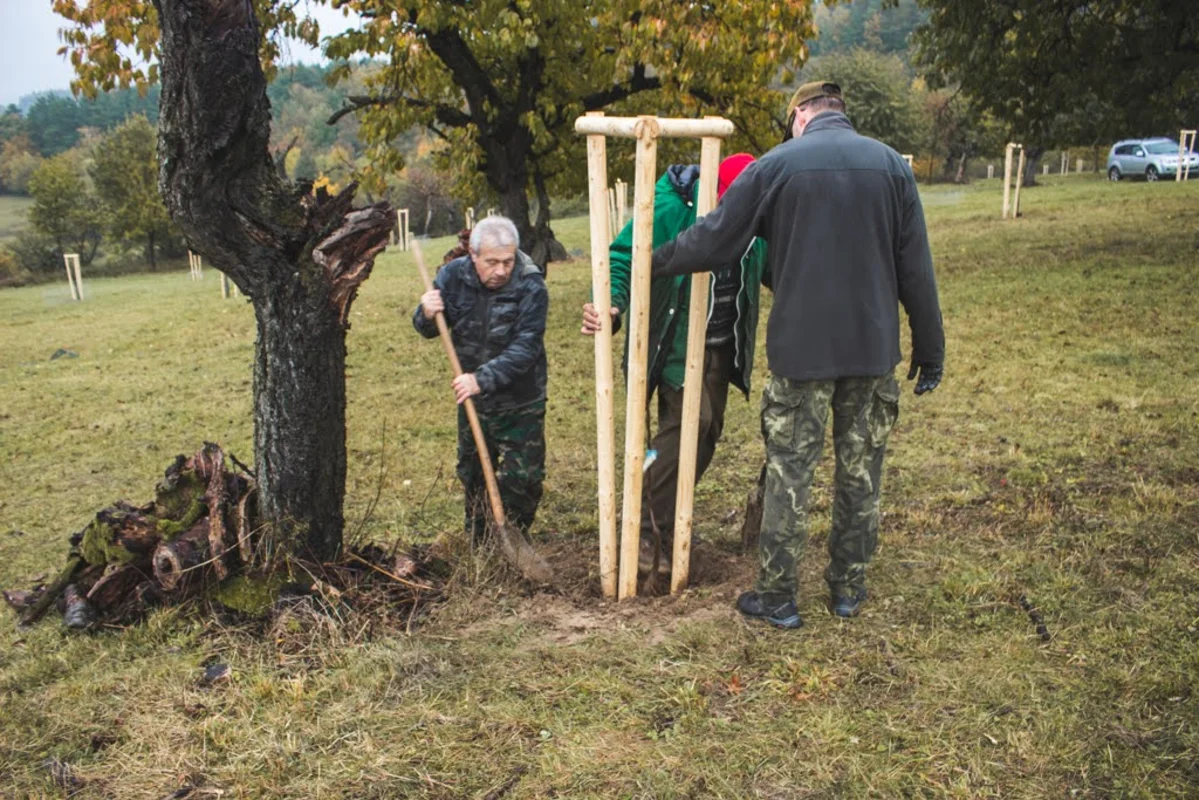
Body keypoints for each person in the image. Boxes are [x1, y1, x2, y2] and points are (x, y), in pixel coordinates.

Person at [651, 81, 945, 628]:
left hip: (801, 351)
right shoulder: (891, 167)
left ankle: (779, 597)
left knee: (790, 473)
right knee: (860, 473)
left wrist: (656, 259)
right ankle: (847, 589)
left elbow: (716, 239)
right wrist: (931, 347)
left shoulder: (776, 166)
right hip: (872, 349)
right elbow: (916, 266)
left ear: (800, 116)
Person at [582, 154, 767, 575]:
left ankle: (663, 517)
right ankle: (644, 526)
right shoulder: (672, 206)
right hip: (675, 340)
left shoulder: (756, 218)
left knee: (706, 435)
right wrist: (611, 302)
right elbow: (624, 255)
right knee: (689, 424)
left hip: (721, 346)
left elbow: (779, 265)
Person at [414, 216, 549, 541]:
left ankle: (514, 538)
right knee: (472, 473)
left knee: (523, 478)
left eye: (507, 261)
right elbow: (428, 329)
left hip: (520, 399)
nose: (501, 270)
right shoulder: (452, 276)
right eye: (492, 262)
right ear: (473, 255)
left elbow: (526, 348)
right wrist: (426, 313)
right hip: (473, 401)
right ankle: (479, 543)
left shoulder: (530, 283)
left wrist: (480, 379)